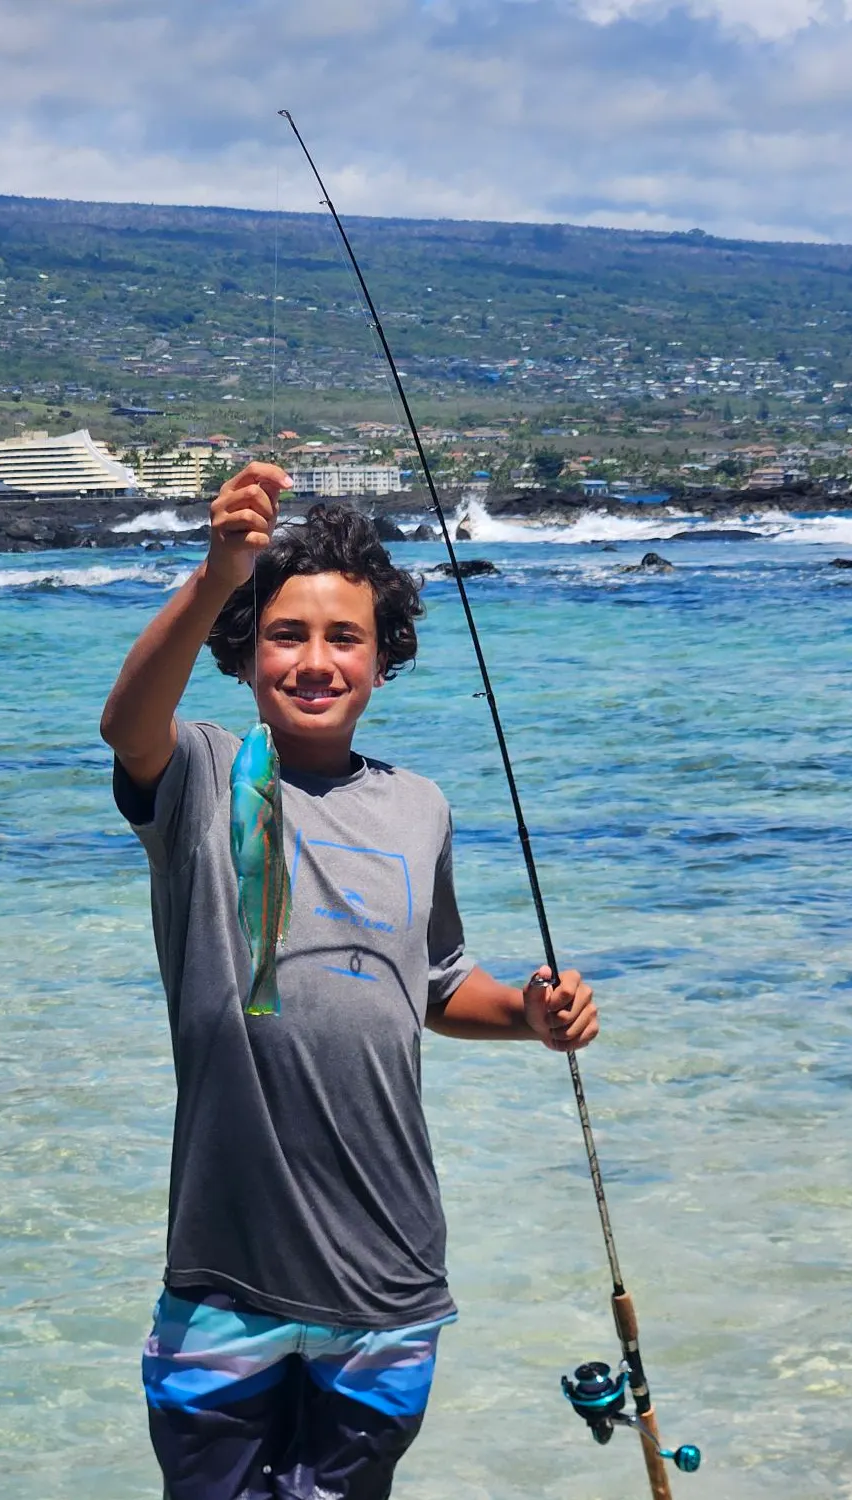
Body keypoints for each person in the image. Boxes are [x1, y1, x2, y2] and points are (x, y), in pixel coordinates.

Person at [100, 463, 599, 1500]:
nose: (315, 660)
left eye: (345, 638)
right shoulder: (201, 775)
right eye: (285, 634)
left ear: (384, 658)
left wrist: (533, 1016)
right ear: (244, 652)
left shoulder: (420, 807)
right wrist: (216, 573)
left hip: (388, 1272)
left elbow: (439, 984)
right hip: (225, 1274)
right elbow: (127, 728)